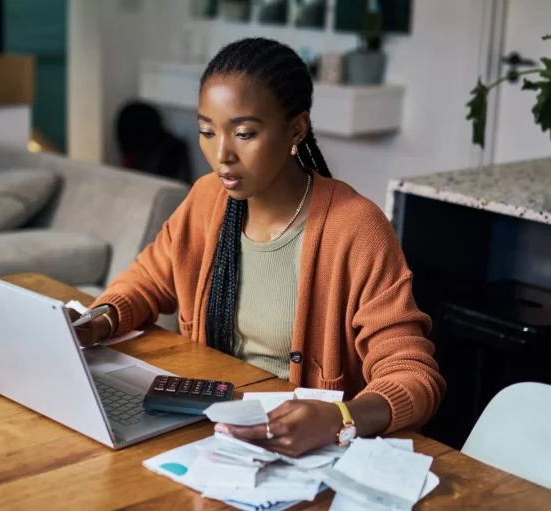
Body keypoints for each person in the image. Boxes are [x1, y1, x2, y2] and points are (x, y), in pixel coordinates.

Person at [68, 37, 445, 457]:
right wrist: (95, 321)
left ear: (296, 129)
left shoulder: (356, 228)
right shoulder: (207, 199)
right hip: (212, 432)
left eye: (244, 133)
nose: (221, 155)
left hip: (305, 450)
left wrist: (342, 417)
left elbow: (414, 375)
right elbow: (147, 280)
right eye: (207, 132)